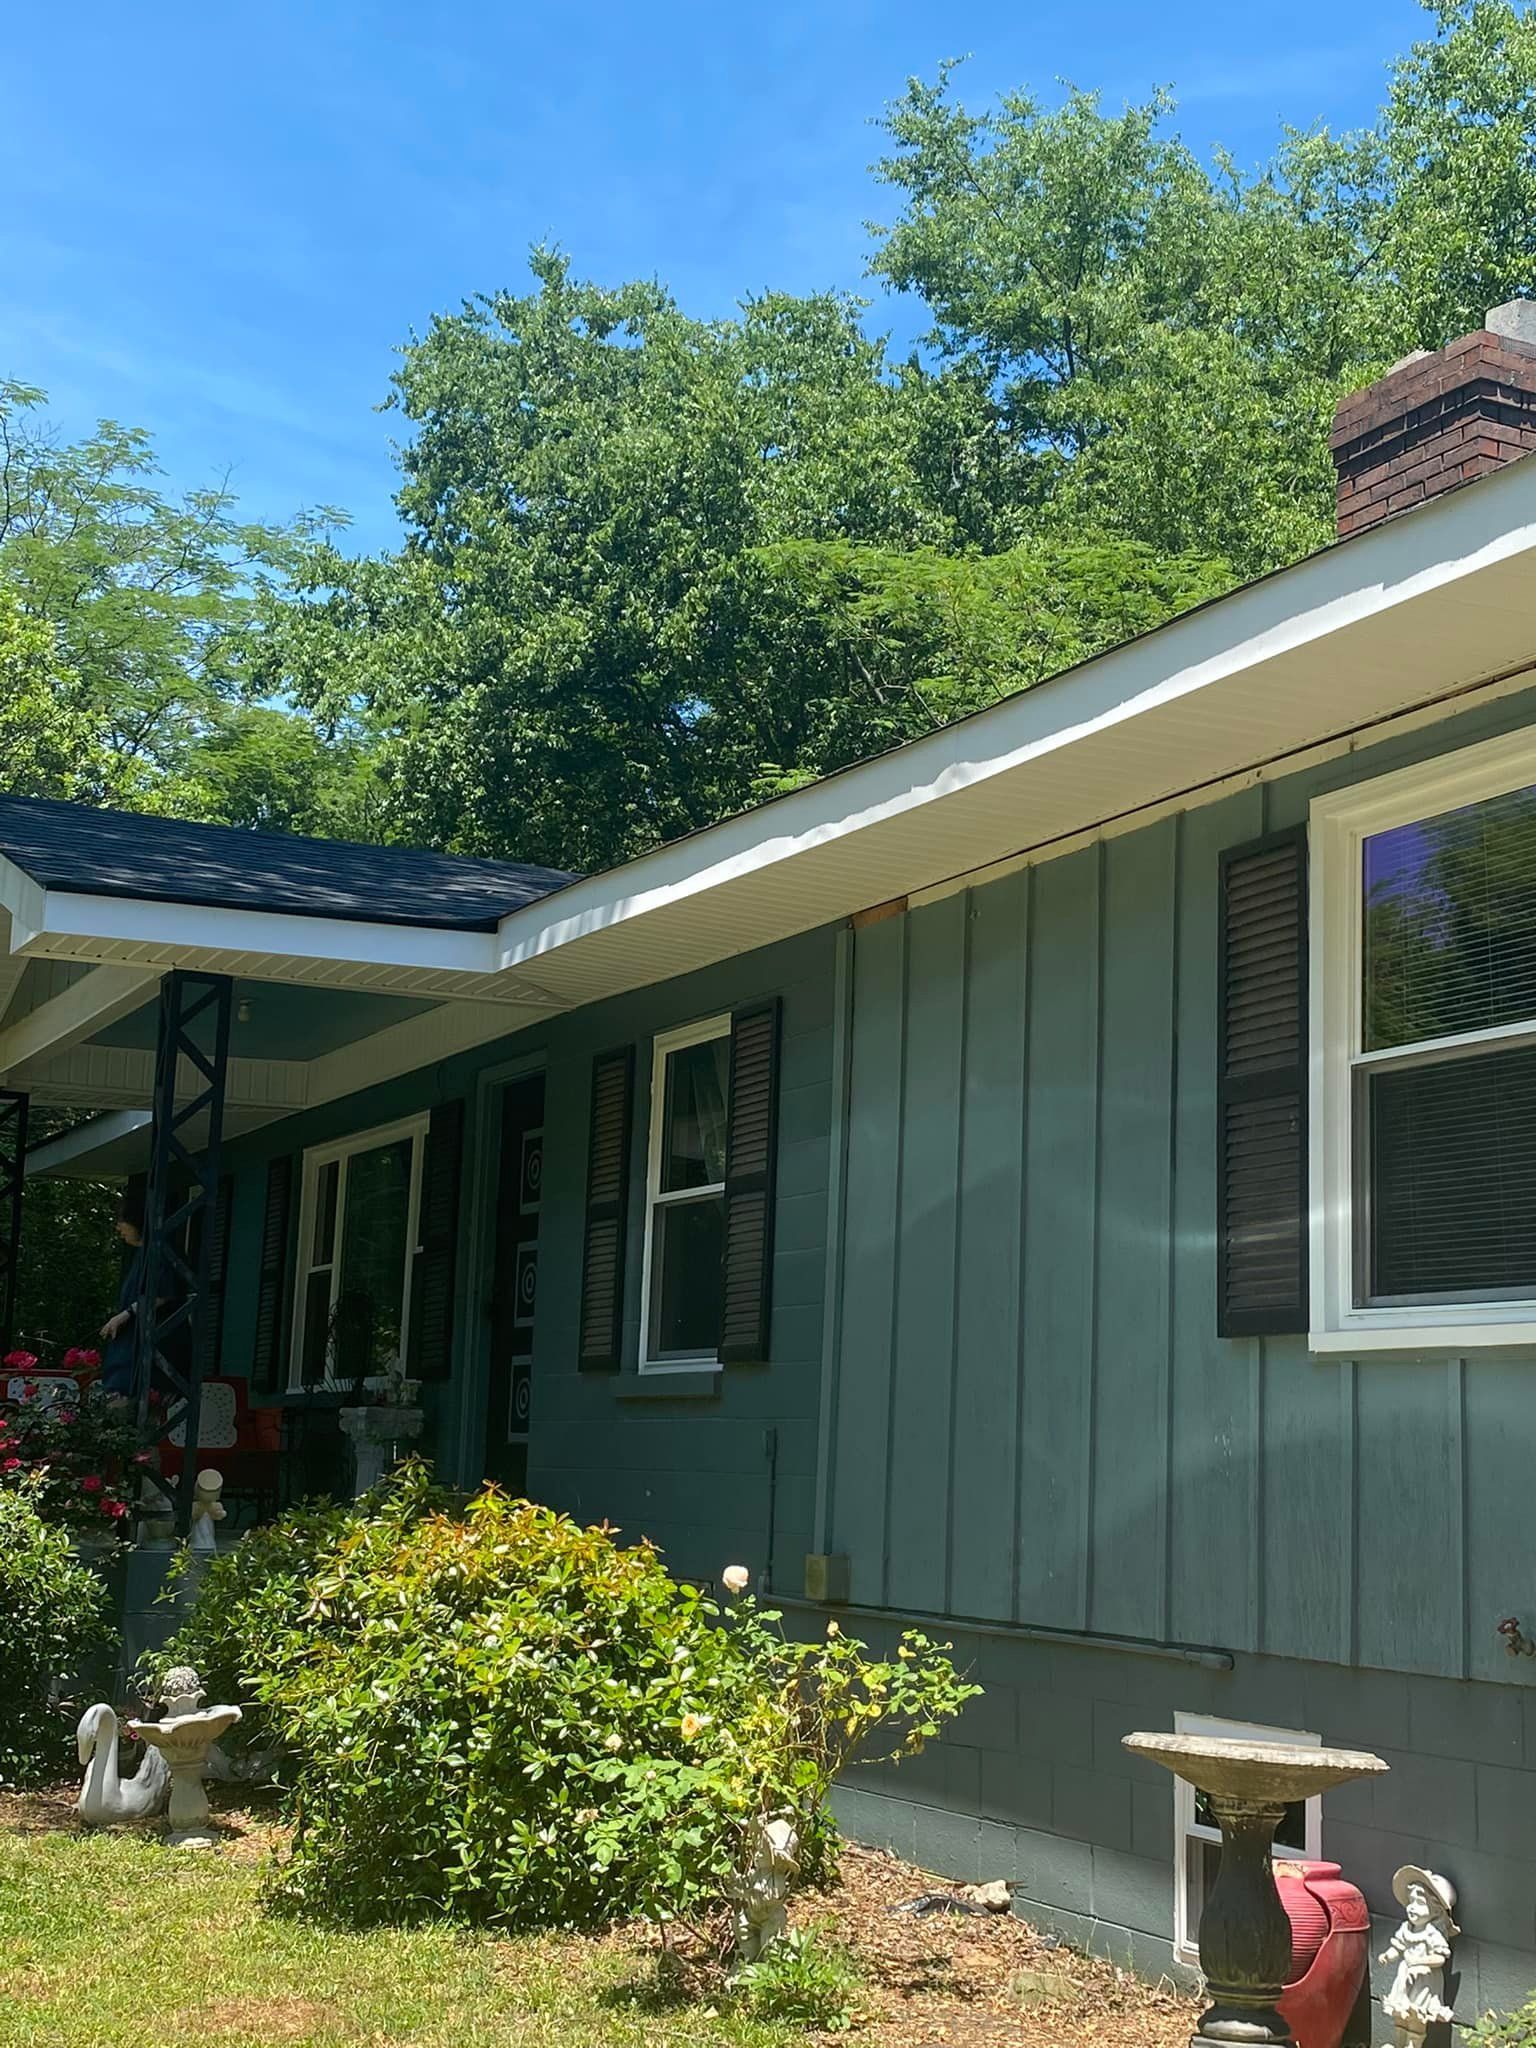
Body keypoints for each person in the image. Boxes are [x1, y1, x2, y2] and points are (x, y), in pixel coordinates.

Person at [99, 1190, 147, 1398]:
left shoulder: (159, 1253)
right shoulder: (141, 1255)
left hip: (142, 1359)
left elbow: (163, 1294)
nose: (118, 1228)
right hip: (127, 1357)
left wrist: (126, 1314)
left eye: (122, 1221)